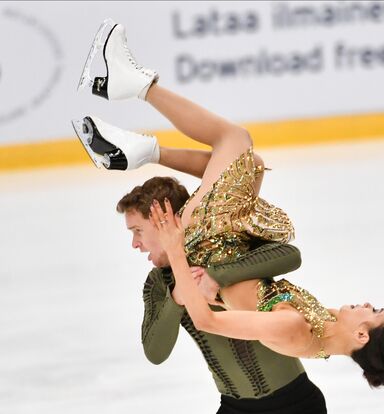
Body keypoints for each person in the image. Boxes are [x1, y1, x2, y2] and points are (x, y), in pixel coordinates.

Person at [76, 19, 384, 403]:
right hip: (216, 244)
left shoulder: (293, 327)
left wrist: (176, 250)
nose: (368, 304)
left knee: (235, 140)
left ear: (361, 335)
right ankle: (138, 150)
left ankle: (138, 88)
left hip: (198, 245)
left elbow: (206, 320)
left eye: (375, 311)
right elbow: (286, 260)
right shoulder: (323, 326)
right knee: (250, 164)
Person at [77, 20, 328, 413]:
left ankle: (143, 129)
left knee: (242, 151)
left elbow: (288, 256)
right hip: (233, 407)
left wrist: (215, 276)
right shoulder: (160, 282)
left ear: (164, 216)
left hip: (296, 404)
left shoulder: (226, 246)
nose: (134, 244)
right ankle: (145, 144)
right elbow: (155, 351)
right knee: (247, 158)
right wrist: (179, 295)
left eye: (139, 230)